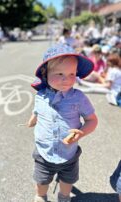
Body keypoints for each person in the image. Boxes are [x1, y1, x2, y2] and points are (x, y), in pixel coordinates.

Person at [27, 44, 98, 202]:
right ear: (45, 73)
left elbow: (92, 120)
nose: (66, 79)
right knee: (42, 180)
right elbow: (37, 110)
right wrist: (33, 119)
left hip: (69, 154)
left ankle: (64, 197)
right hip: (44, 152)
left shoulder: (78, 98)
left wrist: (83, 132)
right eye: (59, 73)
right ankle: (40, 196)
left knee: (68, 181)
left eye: (72, 74)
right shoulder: (40, 96)